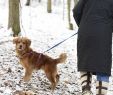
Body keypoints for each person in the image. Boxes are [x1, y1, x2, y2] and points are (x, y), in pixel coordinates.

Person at [73, 0, 113, 95]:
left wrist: (82, 24)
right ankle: (101, 92)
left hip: (85, 32)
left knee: (85, 61)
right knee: (103, 64)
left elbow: (76, 11)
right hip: (103, 35)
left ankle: (86, 90)